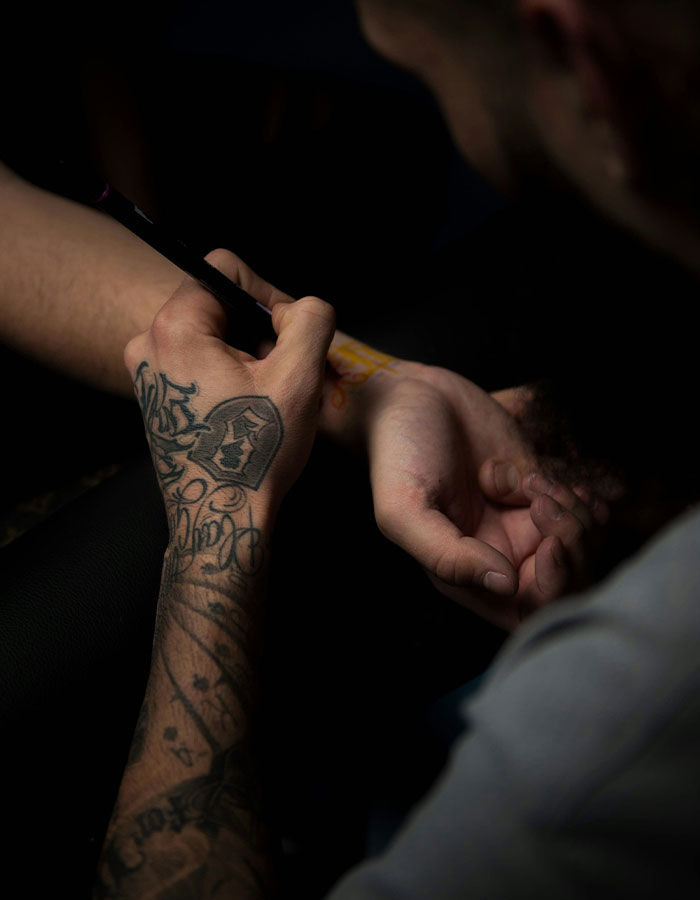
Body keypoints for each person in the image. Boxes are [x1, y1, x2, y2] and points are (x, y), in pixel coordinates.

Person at [83, 0, 700, 897]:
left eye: (426, 71)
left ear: (586, 67)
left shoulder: (610, 733)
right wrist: (380, 384)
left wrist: (215, 531)